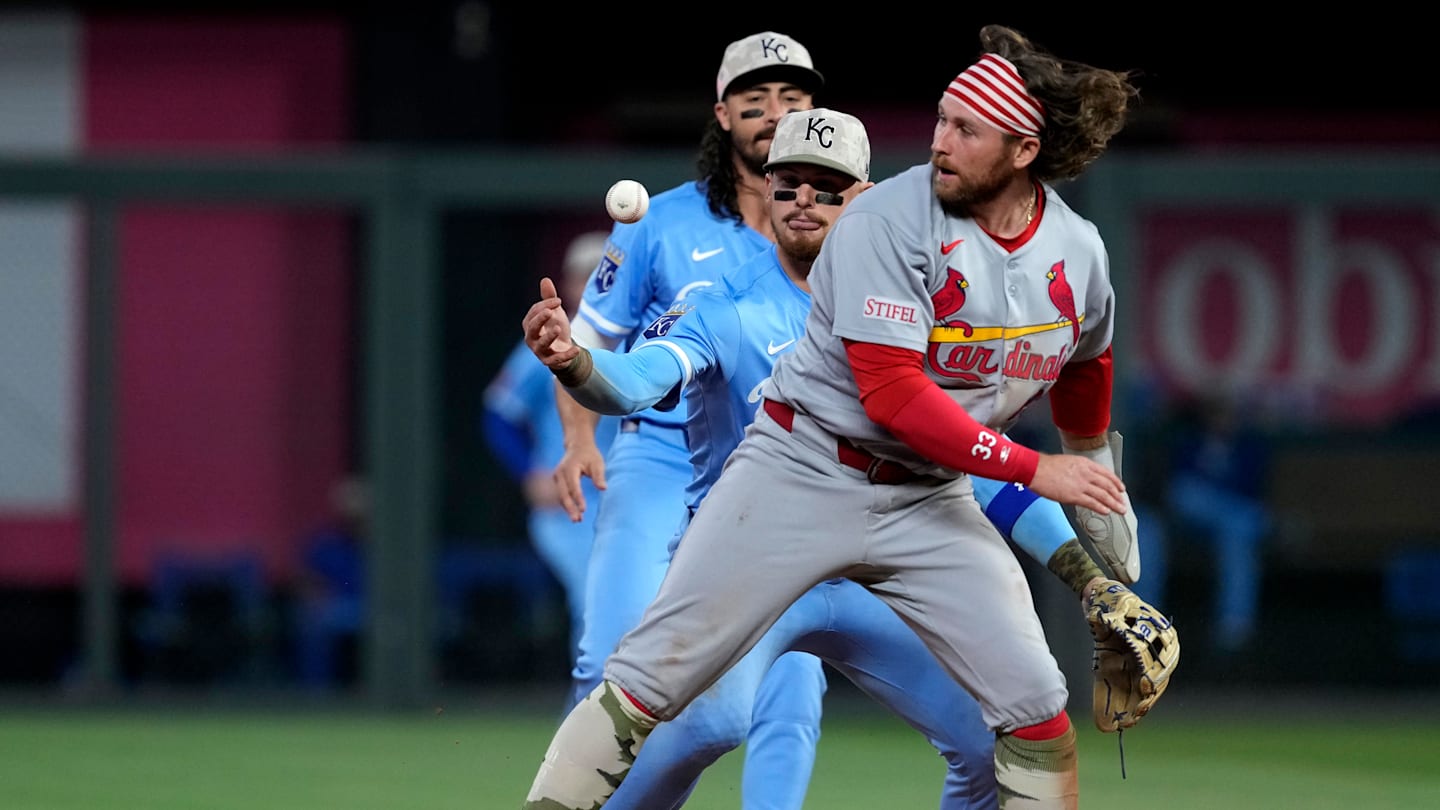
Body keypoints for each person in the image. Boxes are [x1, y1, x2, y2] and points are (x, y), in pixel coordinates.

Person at [519, 25, 1142, 809]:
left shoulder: (1013, 259)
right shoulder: (740, 295)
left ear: (862, 192)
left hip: (920, 500)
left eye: (827, 185)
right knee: (675, 703)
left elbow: (1003, 446)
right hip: (788, 490)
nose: (804, 199)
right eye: (787, 183)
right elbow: (641, 379)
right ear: (765, 191)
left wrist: (1090, 577)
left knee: (1024, 714)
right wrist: (575, 366)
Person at [549, 31, 829, 809]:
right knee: (611, 657)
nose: (775, 114)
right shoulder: (660, 223)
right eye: (757, 101)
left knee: (790, 683)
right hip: (664, 460)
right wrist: (578, 440)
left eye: (793, 100)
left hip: (784, 477)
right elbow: (590, 343)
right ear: (722, 114)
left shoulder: (851, 226)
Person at [482, 230, 618, 668]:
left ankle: (617, 719)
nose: (595, 285)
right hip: (569, 501)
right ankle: (594, 716)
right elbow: (498, 415)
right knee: (597, 605)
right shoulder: (548, 344)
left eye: (607, 275)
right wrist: (527, 471)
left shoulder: (646, 340)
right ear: (569, 283)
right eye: (586, 276)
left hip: (632, 495)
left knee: (636, 608)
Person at [1163, 392, 1272, 653]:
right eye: (1216, 414)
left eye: (1227, 415)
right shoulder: (1190, 442)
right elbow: (1178, 491)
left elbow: (1252, 490)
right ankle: (1273, 525)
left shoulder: (1248, 447)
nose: (1222, 420)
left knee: (1237, 535)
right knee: (1190, 496)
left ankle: (1233, 631)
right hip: (1193, 522)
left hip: (1232, 526)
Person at [291, 476, 367, 690]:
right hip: (336, 608)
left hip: (378, 608)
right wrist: (316, 600)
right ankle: (317, 695)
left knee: (395, 624)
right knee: (312, 624)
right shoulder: (324, 543)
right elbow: (306, 581)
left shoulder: (385, 544)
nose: (355, 516)